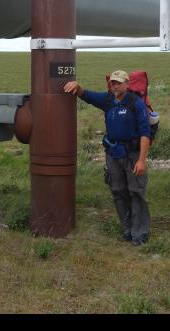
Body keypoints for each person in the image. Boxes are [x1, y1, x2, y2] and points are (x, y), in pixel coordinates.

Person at [63, 70, 151, 246]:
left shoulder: (136, 104)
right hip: (113, 154)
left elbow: (145, 134)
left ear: (127, 84)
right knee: (118, 190)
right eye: (113, 83)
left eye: (119, 83)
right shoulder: (108, 100)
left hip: (133, 154)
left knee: (135, 191)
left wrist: (141, 160)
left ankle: (139, 232)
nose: (115, 86)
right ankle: (127, 228)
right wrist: (77, 87)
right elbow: (86, 95)